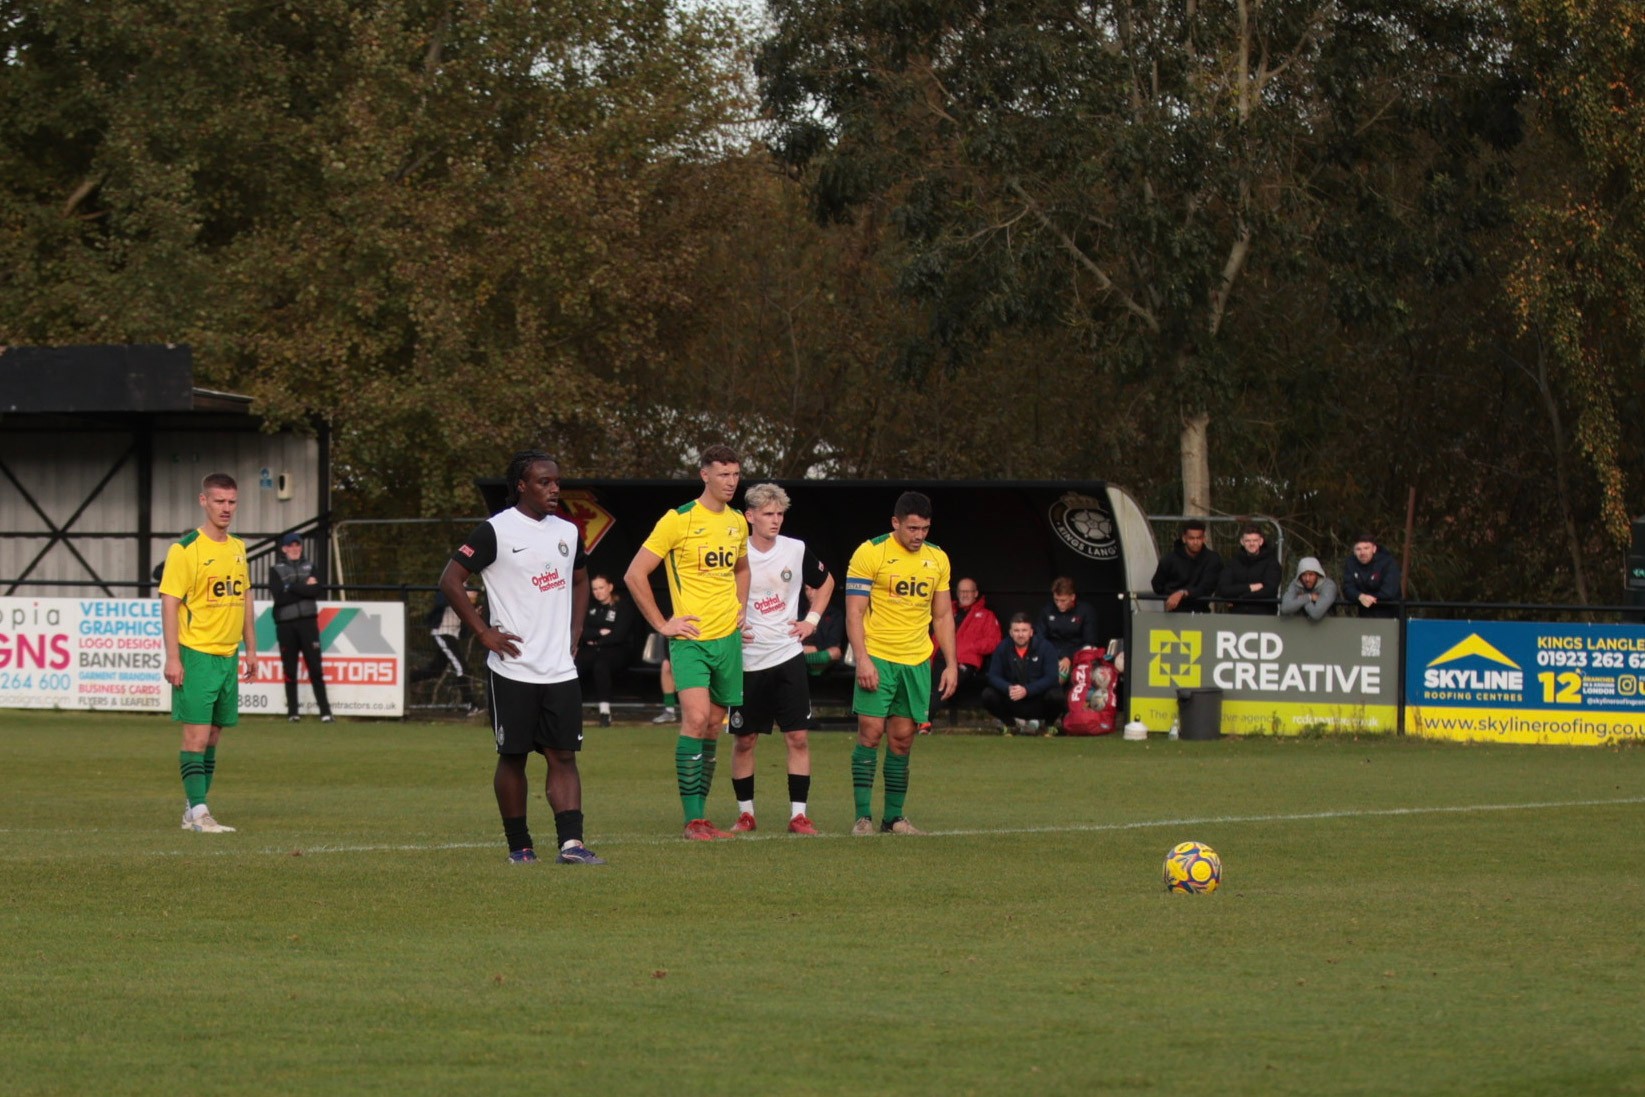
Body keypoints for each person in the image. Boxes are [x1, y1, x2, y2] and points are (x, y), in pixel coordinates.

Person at [436, 450, 604, 866]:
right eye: (545, 482)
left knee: (563, 755)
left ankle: (571, 844)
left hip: (560, 669)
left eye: (557, 482)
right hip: (512, 667)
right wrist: (483, 632)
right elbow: (450, 580)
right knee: (512, 756)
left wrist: (576, 627)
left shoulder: (567, 531)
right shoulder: (495, 531)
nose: (554, 489)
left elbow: (580, 579)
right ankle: (520, 846)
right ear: (522, 486)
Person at [624, 444, 751, 840]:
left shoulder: (737, 522)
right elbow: (634, 574)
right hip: (690, 639)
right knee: (695, 719)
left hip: (727, 640)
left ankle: (703, 818)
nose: (731, 481)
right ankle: (692, 820)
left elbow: (742, 568)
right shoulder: (678, 520)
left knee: (715, 725)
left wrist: (740, 607)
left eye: (735, 474)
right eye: (724, 474)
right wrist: (663, 623)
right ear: (704, 475)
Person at [845, 491, 956, 836]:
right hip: (877, 656)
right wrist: (862, 659)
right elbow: (855, 611)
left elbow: (942, 615)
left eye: (924, 528)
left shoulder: (938, 559)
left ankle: (893, 818)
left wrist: (951, 663)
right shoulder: (870, 552)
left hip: (916, 660)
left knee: (903, 739)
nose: (918, 535)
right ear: (895, 523)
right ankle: (863, 817)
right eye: (912, 528)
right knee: (871, 732)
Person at [726, 483, 834, 837]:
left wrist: (811, 622)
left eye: (780, 514)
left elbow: (827, 582)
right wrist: (729, 627)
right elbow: (715, 594)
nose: (775, 520)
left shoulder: (796, 549)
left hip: (788, 655)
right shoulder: (735, 551)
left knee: (798, 737)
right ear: (750, 516)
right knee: (745, 740)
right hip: (747, 660)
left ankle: (798, 816)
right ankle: (746, 814)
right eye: (768, 514)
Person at [159, 472, 257, 834]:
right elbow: (170, 603)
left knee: (214, 736)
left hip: (227, 657)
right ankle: (199, 812)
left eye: (231, 501)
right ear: (204, 501)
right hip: (196, 654)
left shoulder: (237, 547)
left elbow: (244, 596)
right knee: (196, 738)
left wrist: (251, 648)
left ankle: (193, 809)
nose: (226, 508)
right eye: (219, 501)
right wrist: (173, 657)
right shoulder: (185, 549)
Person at [268, 532, 335, 723]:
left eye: (298, 545)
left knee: (315, 667)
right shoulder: (276, 569)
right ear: (284, 549)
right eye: (291, 546)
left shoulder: (310, 566)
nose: (295, 549)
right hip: (286, 625)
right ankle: (293, 713)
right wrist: (303, 588)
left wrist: (291, 587)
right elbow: (279, 597)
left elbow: (316, 590)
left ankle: (325, 712)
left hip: (308, 623)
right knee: (289, 668)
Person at [980, 613, 1063, 735]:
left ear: (1031, 632)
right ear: (1010, 632)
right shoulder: (1002, 647)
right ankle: (1010, 725)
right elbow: (993, 676)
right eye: (1016, 630)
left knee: (1057, 696)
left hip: (1037, 699)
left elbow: (1051, 677)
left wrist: (1027, 690)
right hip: (1013, 698)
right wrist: (1008, 688)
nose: (1020, 634)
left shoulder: (1045, 647)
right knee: (988, 695)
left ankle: (1048, 725)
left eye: (1024, 630)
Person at [576, 573, 638, 727]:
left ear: (610, 587)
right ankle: (567, 709)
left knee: (601, 665)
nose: (598, 592)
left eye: (601, 587)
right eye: (595, 589)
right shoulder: (589, 607)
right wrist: (599, 633)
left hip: (618, 651)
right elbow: (581, 631)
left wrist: (595, 640)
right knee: (573, 665)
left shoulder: (623, 607)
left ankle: (605, 712)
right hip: (594, 650)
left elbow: (619, 635)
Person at [409, 588, 482, 716]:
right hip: (443, 633)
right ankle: (470, 704)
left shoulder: (469, 593)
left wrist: (473, 613)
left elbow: (465, 623)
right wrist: (462, 596)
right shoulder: (449, 586)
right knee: (462, 668)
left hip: (452, 635)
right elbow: (440, 601)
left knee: (435, 671)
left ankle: (405, 679)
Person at [1151, 520, 1223, 613]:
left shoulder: (1213, 559)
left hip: (1201, 613)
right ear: (1184, 538)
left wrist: (1182, 593)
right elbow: (1157, 585)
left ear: (1204, 538)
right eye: (1191, 538)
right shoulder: (1169, 559)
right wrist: (1172, 595)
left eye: (1199, 538)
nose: (1196, 542)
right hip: (1173, 614)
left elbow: (1207, 587)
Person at [1035, 576, 1098, 681]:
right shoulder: (1048, 610)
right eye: (1056, 600)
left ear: (1072, 597)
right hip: (1051, 655)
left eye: (1063, 600)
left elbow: (1090, 642)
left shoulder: (1085, 611)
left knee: (1057, 677)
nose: (1059, 604)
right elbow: (1040, 637)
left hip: (1076, 657)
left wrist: (1069, 657)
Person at [1217, 523, 1282, 615]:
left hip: (1264, 618)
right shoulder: (1233, 563)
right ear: (1242, 542)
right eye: (1247, 541)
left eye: (1255, 540)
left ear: (1261, 541)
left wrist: (1239, 597)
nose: (1251, 544)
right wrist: (1250, 587)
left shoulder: (1272, 563)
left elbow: (1270, 590)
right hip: (1236, 618)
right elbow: (1223, 589)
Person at [1343, 533, 1401, 618]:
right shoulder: (1351, 563)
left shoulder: (1388, 562)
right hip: (1364, 616)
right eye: (1358, 549)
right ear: (1354, 551)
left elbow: (1389, 592)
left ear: (1374, 549)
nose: (1362, 552)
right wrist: (1359, 596)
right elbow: (1347, 588)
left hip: (1391, 616)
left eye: (1366, 548)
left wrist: (1368, 597)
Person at [802, 604, 845, 676]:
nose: (810, 593)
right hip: (799, 651)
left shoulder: (834, 614)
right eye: (807, 591)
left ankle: (808, 665)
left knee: (835, 652)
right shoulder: (800, 611)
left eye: (815, 591)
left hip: (820, 652)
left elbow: (833, 643)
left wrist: (812, 649)